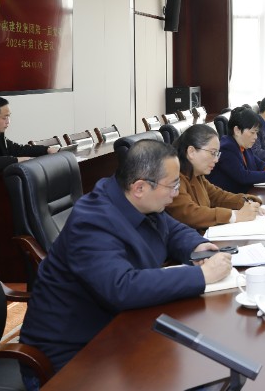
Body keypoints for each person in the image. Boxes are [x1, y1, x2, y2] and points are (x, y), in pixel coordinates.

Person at [18, 140, 231, 385]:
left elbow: (172, 231)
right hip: (71, 356)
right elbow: (121, 287)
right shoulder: (91, 223)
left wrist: (197, 246)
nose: (176, 193)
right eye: (173, 185)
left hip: (119, 330)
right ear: (140, 187)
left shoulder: (137, 200)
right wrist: (202, 276)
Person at [166, 124, 265, 233]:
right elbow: (189, 213)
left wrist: (247, 202)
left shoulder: (197, 175)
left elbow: (218, 196)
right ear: (191, 152)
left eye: (217, 154)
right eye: (213, 153)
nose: (216, 160)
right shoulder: (173, 178)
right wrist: (235, 215)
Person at [207, 107, 265, 193]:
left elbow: (257, 162)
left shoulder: (243, 145)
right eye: (252, 132)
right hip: (228, 198)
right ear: (237, 130)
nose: (255, 137)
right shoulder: (226, 148)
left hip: (245, 194)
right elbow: (243, 176)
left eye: (256, 133)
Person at [0, 96, 58, 171]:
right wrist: (18, 160)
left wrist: (47, 149)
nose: (8, 122)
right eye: (4, 118)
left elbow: (19, 150)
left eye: (9, 116)